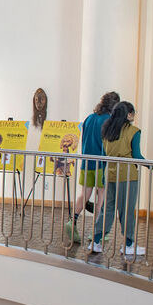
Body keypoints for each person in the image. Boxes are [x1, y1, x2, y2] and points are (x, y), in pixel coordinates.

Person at [90, 101, 148, 256]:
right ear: (128, 114)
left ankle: (95, 241)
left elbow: (103, 156)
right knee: (127, 210)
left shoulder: (107, 131)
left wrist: (103, 175)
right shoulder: (134, 131)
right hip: (127, 175)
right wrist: (152, 165)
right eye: (133, 112)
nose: (134, 115)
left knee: (107, 209)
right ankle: (129, 244)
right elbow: (137, 156)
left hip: (109, 173)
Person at [66, 91, 120, 243]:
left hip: (86, 162)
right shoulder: (109, 120)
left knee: (84, 195)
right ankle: (98, 232)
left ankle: (72, 221)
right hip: (101, 164)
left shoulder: (89, 118)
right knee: (101, 196)